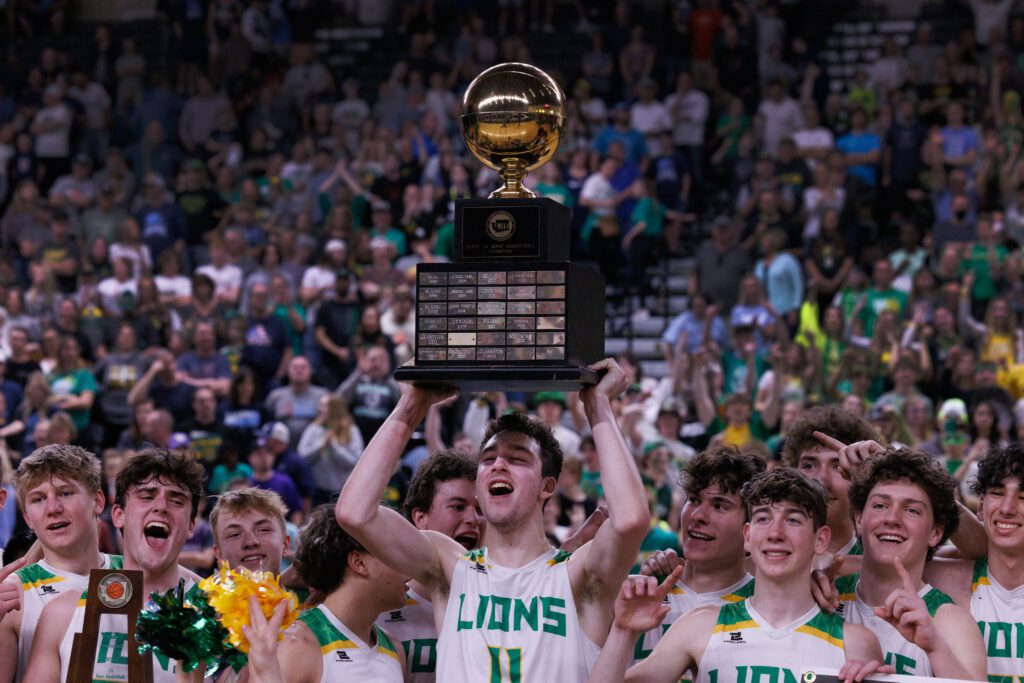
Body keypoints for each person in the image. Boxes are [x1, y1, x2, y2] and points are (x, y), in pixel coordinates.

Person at [337, 358, 650, 681]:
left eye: (517, 458)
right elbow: (355, 512)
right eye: (488, 458)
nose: (498, 464)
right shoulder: (449, 565)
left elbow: (630, 521)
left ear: (547, 486)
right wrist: (411, 406)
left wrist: (598, 405)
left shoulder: (577, 575)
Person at [589, 468, 889, 683]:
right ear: (748, 536)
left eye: (793, 520)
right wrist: (623, 631)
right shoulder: (700, 624)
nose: (775, 533)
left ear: (820, 539)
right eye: (762, 519)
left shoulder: (856, 641)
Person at [25, 448, 206, 681]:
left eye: (176, 500)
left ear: (191, 525)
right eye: (147, 496)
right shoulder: (63, 612)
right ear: (119, 515)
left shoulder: (217, 617)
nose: (161, 506)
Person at [827, 447, 986, 678]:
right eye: (880, 505)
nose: (892, 519)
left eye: (911, 510)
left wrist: (936, 648)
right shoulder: (825, 596)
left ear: (935, 533)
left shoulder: (947, 620)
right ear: (859, 519)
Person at [245, 505, 407, 682]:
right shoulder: (296, 644)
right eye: (396, 554)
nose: (409, 570)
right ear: (359, 562)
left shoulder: (394, 647)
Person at [632, 445, 763, 662]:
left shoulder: (766, 608)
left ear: (750, 528)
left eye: (720, 506)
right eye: (693, 500)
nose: (698, 515)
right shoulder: (639, 593)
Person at [0, 445, 117, 683]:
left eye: (65, 493)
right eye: (38, 499)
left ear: (97, 501)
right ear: (27, 519)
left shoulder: (137, 575)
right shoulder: (13, 593)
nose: (53, 509)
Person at [376, 449, 483, 682]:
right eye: (458, 506)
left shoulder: (498, 602)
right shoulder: (380, 603)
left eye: (480, 509)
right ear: (420, 518)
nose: (473, 519)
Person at [918, 444, 1024, 678]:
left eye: (1023, 497)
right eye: (997, 493)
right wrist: (824, 565)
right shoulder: (939, 580)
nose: (1007, 508)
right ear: (981, 507)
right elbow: (871, 570)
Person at [210, 487, 290, 575]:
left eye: (263, 530)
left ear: (285, 544)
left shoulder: (305, 587)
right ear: (219, 554)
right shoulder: (205, 588)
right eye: (235, 534)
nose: (250, 542)